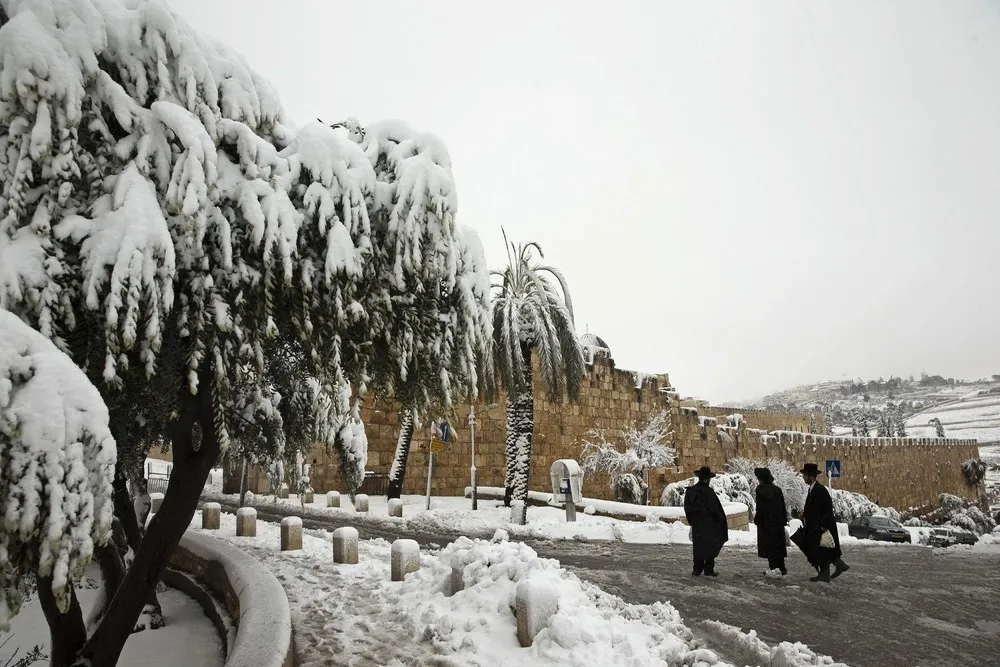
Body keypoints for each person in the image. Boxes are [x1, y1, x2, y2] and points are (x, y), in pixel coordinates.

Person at [799, 462, 850, 582]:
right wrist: (805, 513)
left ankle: (831, 569)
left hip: (821, 526)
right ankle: (831, 569)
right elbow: (815, 507)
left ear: (809, 476)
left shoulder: (820, 490)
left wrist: (824, 526)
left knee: (823, 549)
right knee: (822, 550)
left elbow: (827, 508)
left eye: (804, 475)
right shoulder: (812, 489)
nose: (803, 478)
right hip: (815, 526)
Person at [683, 466, 729, 576]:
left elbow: (687, 508)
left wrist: (693, 521)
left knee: (698, 546)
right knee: (709, 546)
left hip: (697, 524)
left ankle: (697, 569)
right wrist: (720, 521)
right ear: (707, 479)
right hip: (709, 524)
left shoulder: (691, 491)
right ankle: (708, 569)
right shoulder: (708, 492)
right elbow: (715, 509)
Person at [753, 467, 788, 575]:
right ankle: (781, 568)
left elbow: (760, 508)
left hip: (766, 523)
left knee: (769, 546)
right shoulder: (777, 490)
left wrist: (757, 519)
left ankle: (773, 568)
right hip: (777, 522)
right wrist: (783, 520)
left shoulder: (760, 490)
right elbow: (782, 507)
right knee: (778, 545)